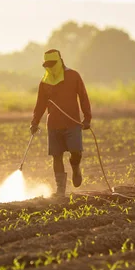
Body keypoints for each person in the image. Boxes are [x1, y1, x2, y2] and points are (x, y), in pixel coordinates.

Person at [30, 49, 92, 197]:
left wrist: (87, 118)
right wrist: (35, 122)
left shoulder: (73, 76)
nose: (50, 67)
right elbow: (40, 105)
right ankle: (60, 190)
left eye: (52, 64)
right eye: (47, 65)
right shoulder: (45, 82)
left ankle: (75, 167)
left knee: (76, 153)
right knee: (57, 156)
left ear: (60, 61)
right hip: (53, 125)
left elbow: (83, 97)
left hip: (73, 123)